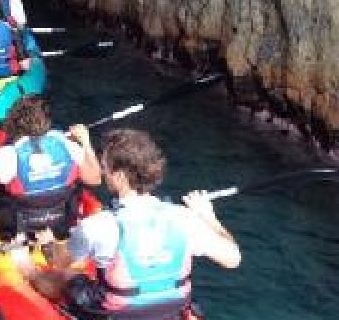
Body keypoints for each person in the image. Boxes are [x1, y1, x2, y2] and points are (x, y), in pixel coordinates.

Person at [26, 128, 241, 320]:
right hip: (172, 312)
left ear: (119, 176)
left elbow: (61, 261)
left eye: (105, 167)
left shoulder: (100, 225)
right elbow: (233, 259)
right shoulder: (185, 218)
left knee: (69, 277)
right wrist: (209, 217)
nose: (103, 172)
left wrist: (48, 244)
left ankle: (28, 272)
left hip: (117, 314)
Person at [0, 96, 102, 238]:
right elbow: (95, 179)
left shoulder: (6, 155)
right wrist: (85, 142)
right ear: (46, 121)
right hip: (61, 225)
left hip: (19, 231)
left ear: (14, 122)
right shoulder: (67, 144)